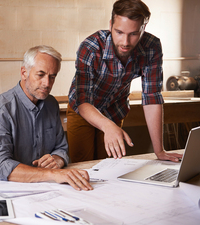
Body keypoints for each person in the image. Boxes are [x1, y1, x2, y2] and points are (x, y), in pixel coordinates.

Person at [66, 0, 183, 163]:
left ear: (143, 28)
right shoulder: (90, 47)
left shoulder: (152, 47)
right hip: (83, 109)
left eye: (134, 34)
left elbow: (152, 97)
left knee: (107, 165)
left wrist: (160, 151)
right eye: (119, 32)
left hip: (115, 109)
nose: (125, 42)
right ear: (110, 25)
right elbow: (83, 100)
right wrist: (107, 126)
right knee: (83, 164)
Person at [0, 45, 93, 191]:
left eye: (52, 77)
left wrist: (57, 160)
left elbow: (61, 148)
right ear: (24, 73)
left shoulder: (51, 104)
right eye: (40, 75)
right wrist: (52, 174)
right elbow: (1, 166)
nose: (47, 83)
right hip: (0, 190)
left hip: (41, 188)